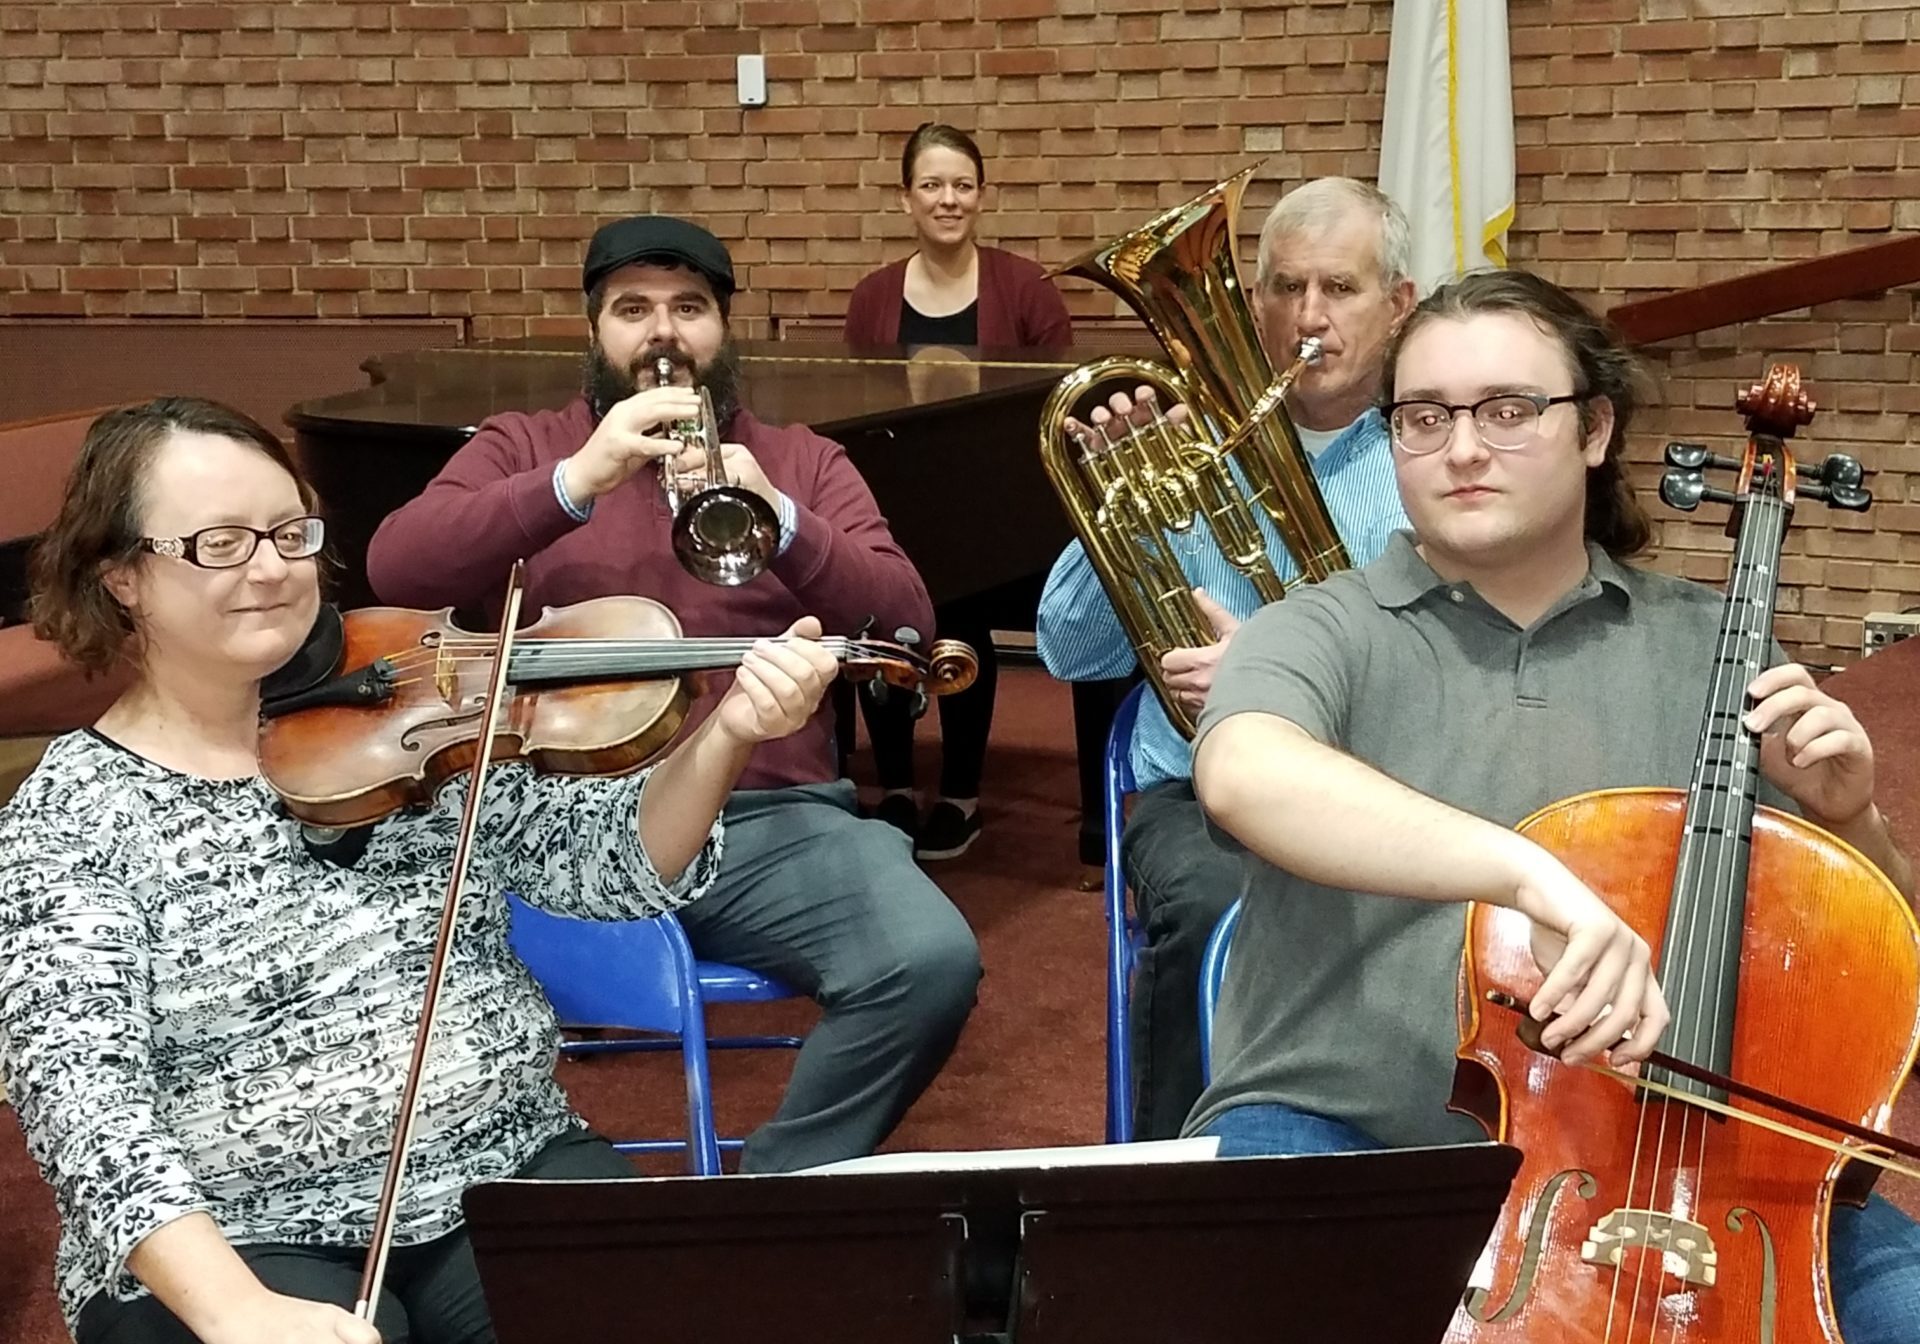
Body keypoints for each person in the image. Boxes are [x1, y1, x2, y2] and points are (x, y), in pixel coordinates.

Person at [0, 396, 842, 1344]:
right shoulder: (72, 815)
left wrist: (726, 734)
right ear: (121, 577)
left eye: (288, 532)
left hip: (500, 1163)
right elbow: (83, 1104)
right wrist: (235, 1309)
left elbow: (609, 868)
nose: (274, 570)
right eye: (222, 545)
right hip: (236, 1230)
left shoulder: (416, 698)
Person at [1188, 269, 1920, 1341]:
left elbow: (1876, 980)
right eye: (1425, 417)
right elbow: (1247, 770)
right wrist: (1532, 876)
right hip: (1348, 1142)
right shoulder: (1323, 628)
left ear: (1595, 429)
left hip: (1683, 1163)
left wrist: (1852, 823)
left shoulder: (1714, 648)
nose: (1464, 449)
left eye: (1508, 410)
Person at [365, 215, 983, 1175]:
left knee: (929, 960)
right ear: (595, 330)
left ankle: (767, 1200)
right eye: (633, 310)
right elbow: (395, 563)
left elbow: (903, 625)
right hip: (554, 824)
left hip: (767, 826)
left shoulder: (803, 459)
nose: (663, 335)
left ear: (724, 330)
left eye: (689, 309)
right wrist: (574, 481)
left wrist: (781, 519)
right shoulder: (526, 444)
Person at [1036, 177, 1417, 1139]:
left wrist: (1268, 672)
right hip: (1198, 797)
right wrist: (1114, 500)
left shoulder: (1430, 460)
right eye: (1286, 290)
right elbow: (1064, 652)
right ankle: (1174, 1189)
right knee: (1216, 913)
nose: (1310, 319)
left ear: (1399, 304)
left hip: (1384, 775)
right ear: (1253, 308)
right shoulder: (1186, 447)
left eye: (1341, 289)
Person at [842, 122, 1075, 858]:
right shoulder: (874, 296)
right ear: (907, 198)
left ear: (982, 195)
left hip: (993, 510)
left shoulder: (1027, 289)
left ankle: (962, 794)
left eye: (963, 185)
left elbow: (1053, 409)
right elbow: (856, 408)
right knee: (878, 616)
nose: (949, 199)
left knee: (963, 612)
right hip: (894, 504)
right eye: (932, 185)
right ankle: (899, 789)